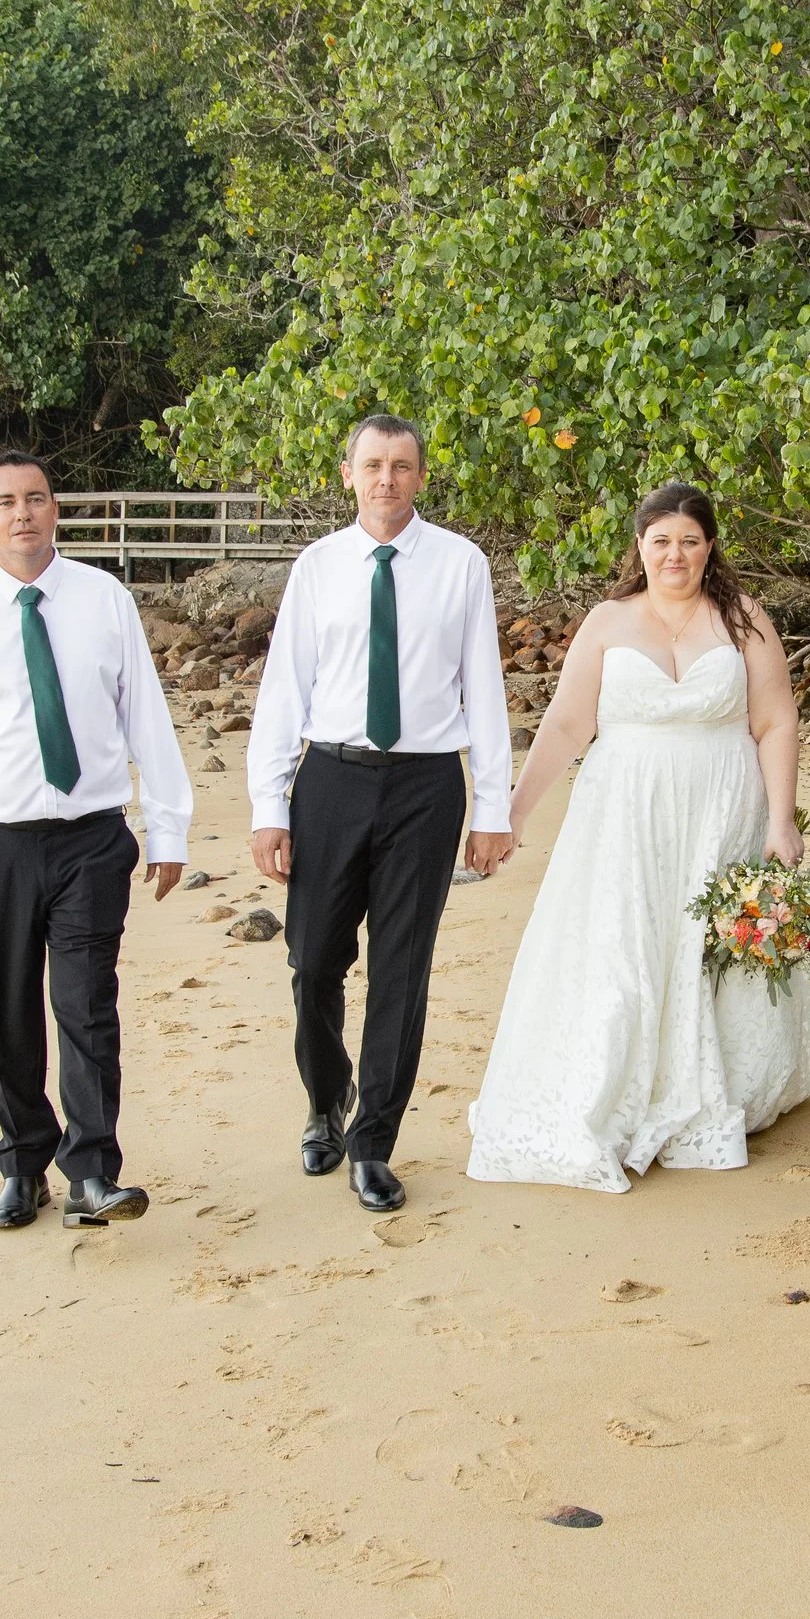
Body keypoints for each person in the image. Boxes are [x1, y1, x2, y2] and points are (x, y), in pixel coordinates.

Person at [467, 480, 810, 1194]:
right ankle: (611, 1087)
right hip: (624, 812)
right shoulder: (607, 621)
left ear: (710, 547)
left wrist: (781, 820)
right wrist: (513, 812)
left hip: (722, 804)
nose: (676, 554)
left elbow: (775, 720)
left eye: (690, 540)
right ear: (639, 546)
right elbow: (570, 724)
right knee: (624, 945)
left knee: (707, 951)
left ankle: (711, 1087)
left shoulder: (744, 618)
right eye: (661, 540)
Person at [0, 449, 190, 1229]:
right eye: (5, 502)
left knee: (88, 1005)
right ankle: (24, 1164)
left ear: (55, 509)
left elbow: (145, 718)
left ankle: (93, 1171)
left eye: (36, 498)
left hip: (90, 838)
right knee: (8, 1011)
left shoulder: (104, 600)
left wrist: (168, 826)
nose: (22, 513)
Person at [247, 415, 514, 1214]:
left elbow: (486, 690)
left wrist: (491, 807)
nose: (387, 479)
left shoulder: (462, 565)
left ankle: (374, 1142)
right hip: (329, 779)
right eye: (373, 465)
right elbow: (283, 691)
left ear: (421, 477)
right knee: (312, 961)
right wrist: (270, 805)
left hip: (426, 786)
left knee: (402, 970)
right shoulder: (319, 567)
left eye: (401, 466)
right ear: (348, 475)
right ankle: (325, 1100)